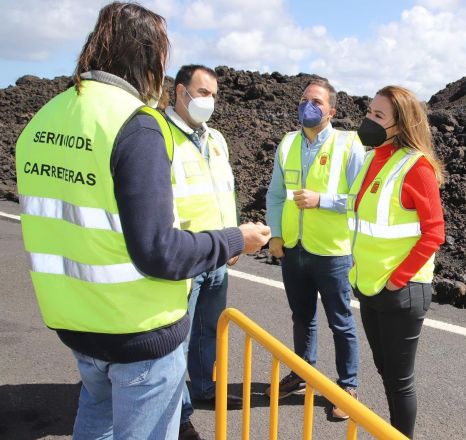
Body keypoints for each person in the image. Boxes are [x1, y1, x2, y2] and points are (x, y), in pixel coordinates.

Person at [14, 3, 271, 439]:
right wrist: (234, 240)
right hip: (136, 328)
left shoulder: (42, 120)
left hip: (74, 320)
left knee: (96, 419)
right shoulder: (136, 126)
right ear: (148, 59)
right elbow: (159, 252)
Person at [348, 85, 445, 438]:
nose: (368, 120)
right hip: (370, 287)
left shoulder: (416, 167)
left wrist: (397, 279)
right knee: (386, 372)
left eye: (378, 116)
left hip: (400, 291)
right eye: (369, 112)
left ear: (401, 124)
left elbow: (434, 233)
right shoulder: (373, 158)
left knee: (400, 381)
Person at [265, 78, 365, 420]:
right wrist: (275, 235)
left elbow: (359, 199)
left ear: (332, 110)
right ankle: (303, 372)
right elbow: (276, 195)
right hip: (294, 249)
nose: (309, 106)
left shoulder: (349, 145)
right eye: (305, 99)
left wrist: (321, 200)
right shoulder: (288, 143)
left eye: (317, 102)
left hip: (333, 252)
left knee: (341, 321)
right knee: (302, 317)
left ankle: (347, 386)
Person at [164, 64, 241, 439]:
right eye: (202, 92)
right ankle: (178, 414)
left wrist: (232, 238)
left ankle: (205, 387)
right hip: (185, 256)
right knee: (178, 336)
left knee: (209, 328)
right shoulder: (160, 134)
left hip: (217, 254)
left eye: (213, 94)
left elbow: (225, 190)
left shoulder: (215, 139)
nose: (209, 101)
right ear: (180, 92)